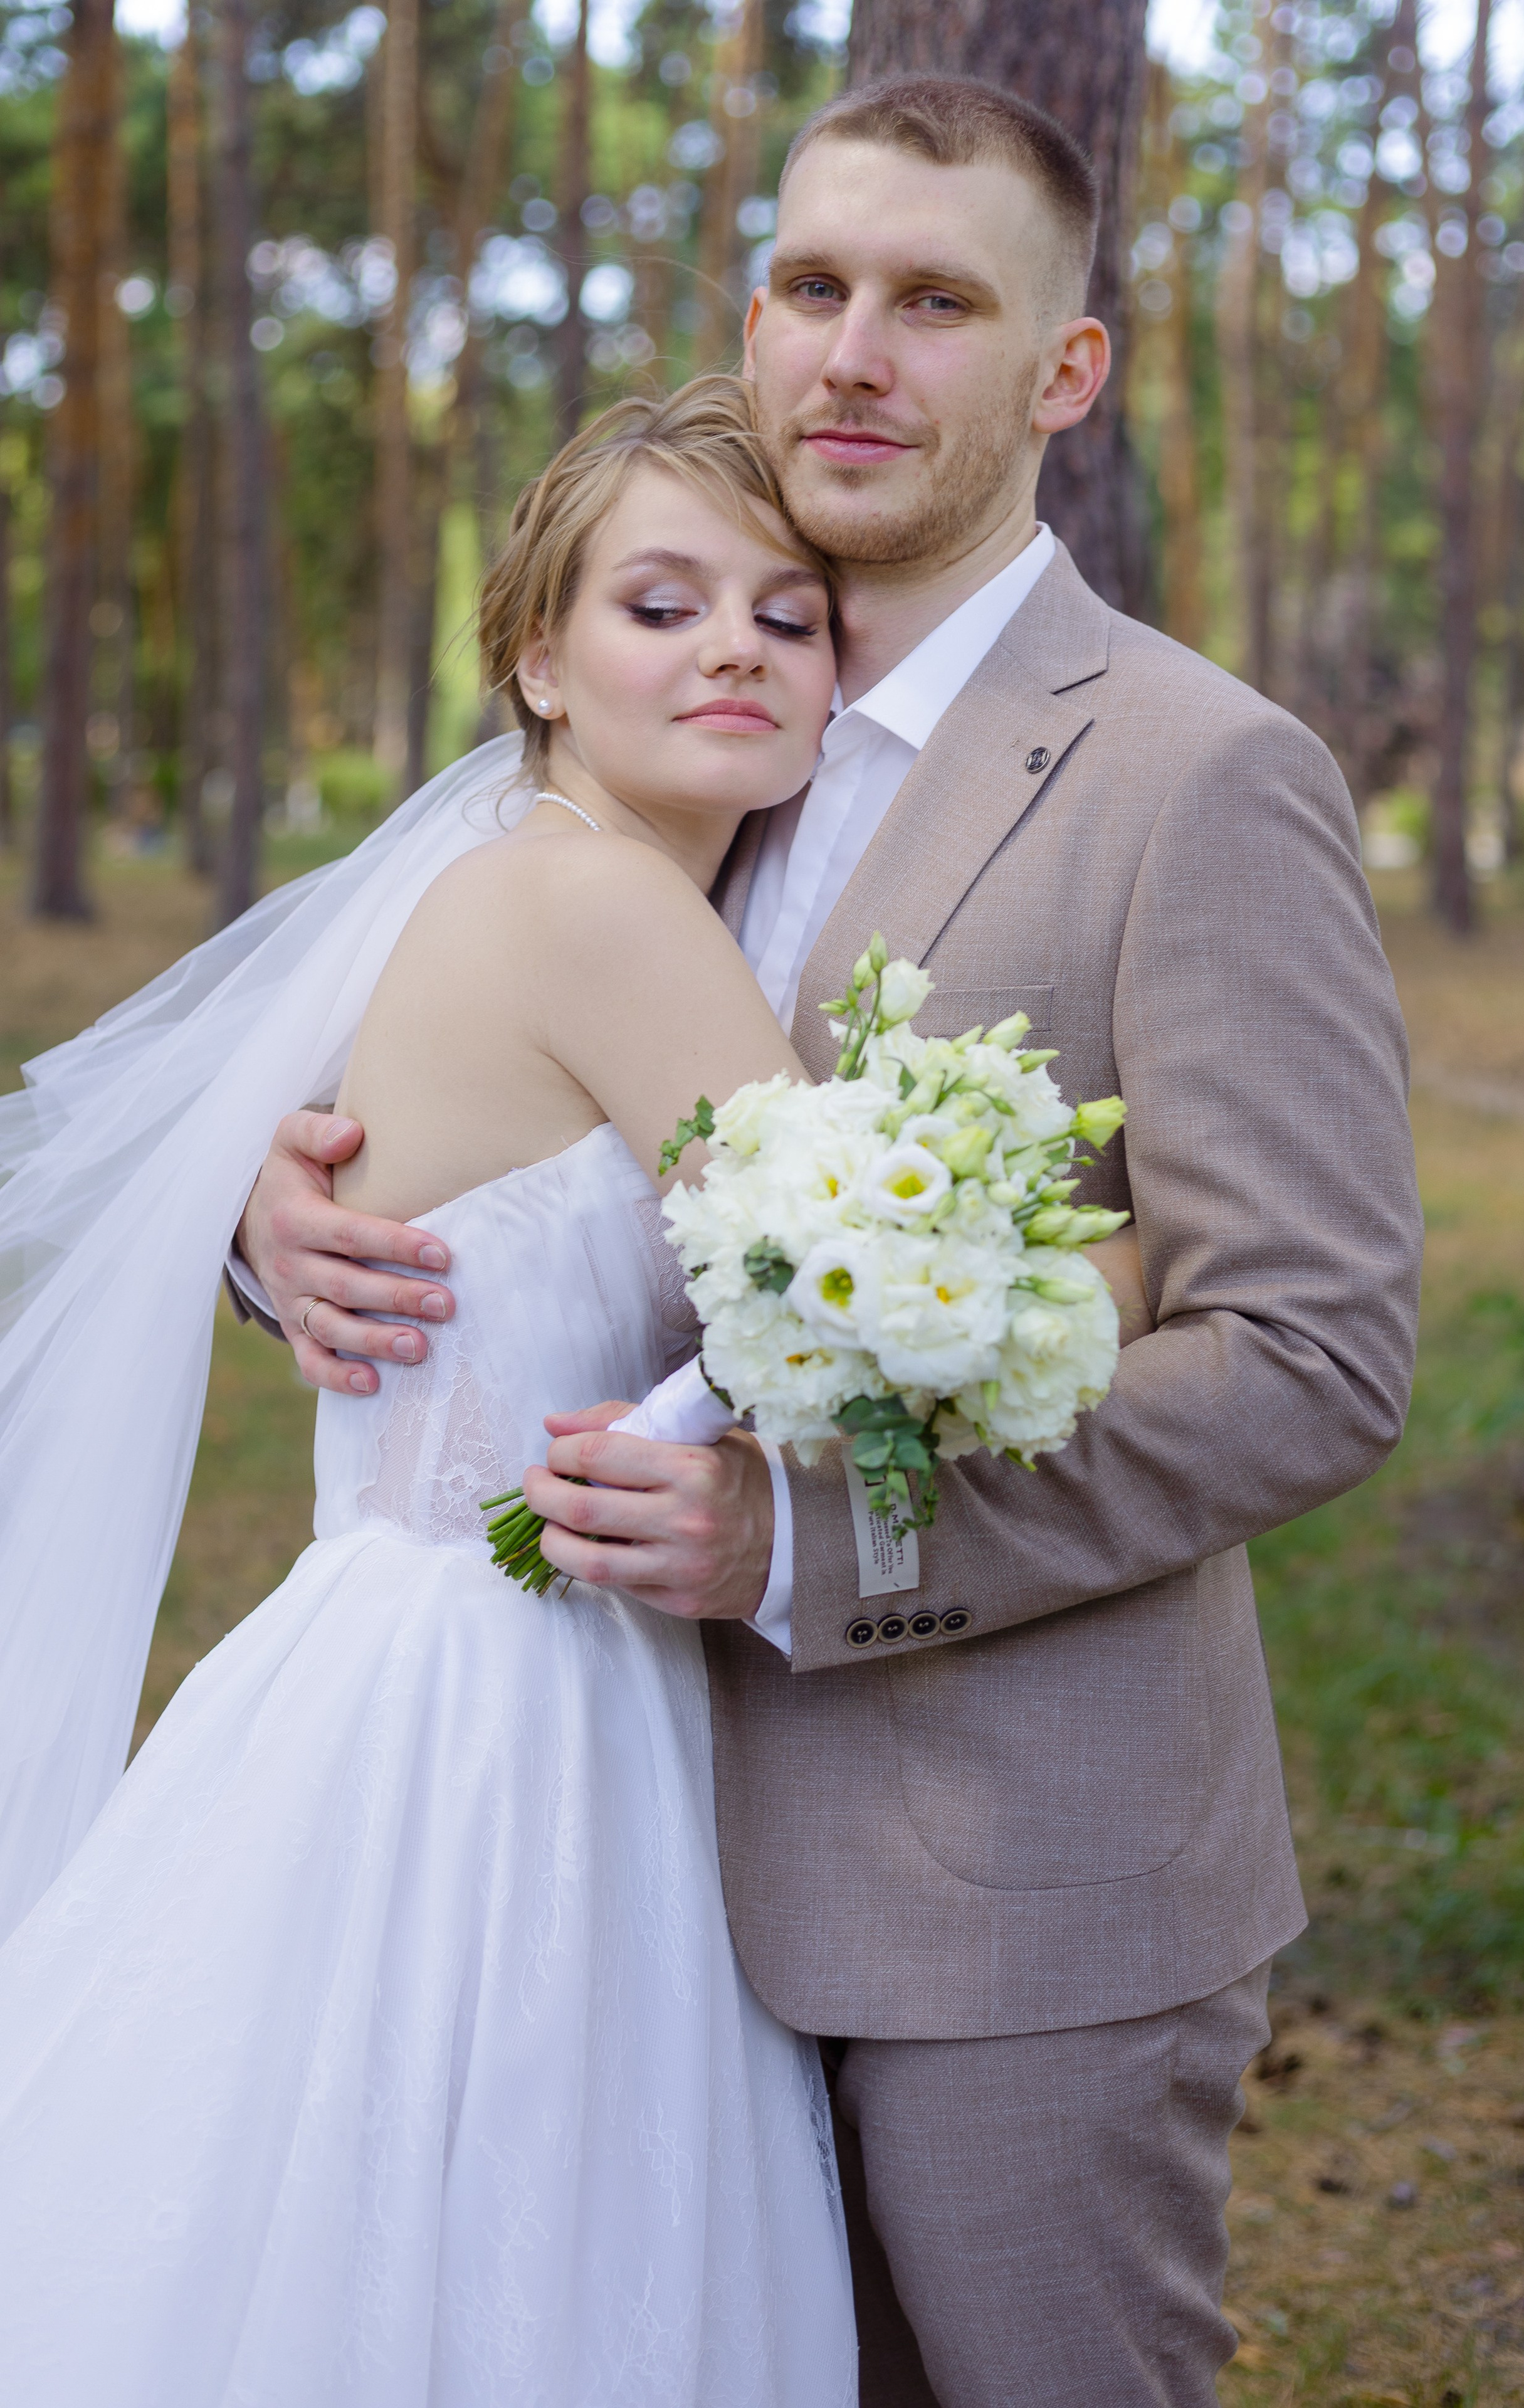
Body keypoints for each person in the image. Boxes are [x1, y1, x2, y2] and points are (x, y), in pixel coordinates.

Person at [234, 77, 1423, 2408]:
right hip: (615, 1878)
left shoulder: (1200, 773)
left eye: (940, 302)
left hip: (1014, 1895)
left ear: (1063, 374)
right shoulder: (671, 727)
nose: (856, 355)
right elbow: (505, 1135)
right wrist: (300, 1225)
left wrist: (806, 1538)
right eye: (813, 286)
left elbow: (1309, 1354)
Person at [0, 381, 881, 2407]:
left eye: (790, 612)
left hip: (390, 1644)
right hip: (517, 1703)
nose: (738, 643)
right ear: (535, 659)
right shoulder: (596, 899)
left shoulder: (499, 870)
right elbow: (855, 1304)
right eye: (663, 605)